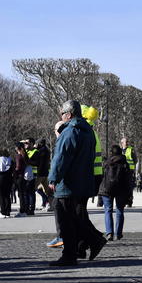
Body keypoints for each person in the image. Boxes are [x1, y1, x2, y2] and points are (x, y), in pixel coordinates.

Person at [48, 100, 106, 266]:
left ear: (69, 114)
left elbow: (61, 157)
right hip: (82, 180)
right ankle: (87, 243)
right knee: (74, 217)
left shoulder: (70, 132)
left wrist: (53, 177)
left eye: (62, 114)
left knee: (65, 219)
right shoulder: (87, 132)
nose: (62, 117)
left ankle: (73, 252)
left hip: (68, 183)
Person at [98, 144, 130, 240]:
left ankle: (109, 233)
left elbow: (103, 178)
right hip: (121, 190)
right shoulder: (125, 163)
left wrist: (100, 194)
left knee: (108, 210)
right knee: (120, 210)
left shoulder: (107, 163)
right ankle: (118, 233)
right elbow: (128, 180)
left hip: (107, 189)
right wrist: (129, 194)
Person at [0, 148, 14, 218]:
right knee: (7, 195)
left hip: (0, 177)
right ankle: (8, 212)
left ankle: (3, 212)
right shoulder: (10, 159)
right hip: (9, 177)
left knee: (1, 195)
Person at [122, 137, 137, 207]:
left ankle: (129, 201)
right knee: (123, 187)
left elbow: (135, 160)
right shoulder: (120, 150)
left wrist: (131, 167)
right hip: (122, 171)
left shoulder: (131, 150)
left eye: (128, 142)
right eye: (126, 142)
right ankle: (123, 201)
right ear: (122, 143)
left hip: (129, 171)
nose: (127, 143)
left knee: (129, 187)